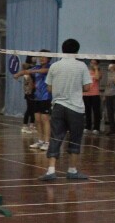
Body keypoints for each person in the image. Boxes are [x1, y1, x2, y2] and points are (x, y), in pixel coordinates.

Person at [39, 39, 92, 181]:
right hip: (76, 108)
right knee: (75, 139)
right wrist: (75, 88)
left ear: (62, 50)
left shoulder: (54, 66)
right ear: (77, 50)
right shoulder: (82, 66)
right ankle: (72, 170)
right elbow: (87, 87)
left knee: (55, 137)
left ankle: (51, 171)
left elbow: (49, 88)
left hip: (58, 106)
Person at [14, 50, 51, 150]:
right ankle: (40, 141)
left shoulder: (50, 67)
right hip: (36, 97)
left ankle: (47, 142)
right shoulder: (37, 67)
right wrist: (18, 74)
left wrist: (31, 71)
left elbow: (44, 71)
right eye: (40, 57)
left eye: (44, 57)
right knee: (37, 120)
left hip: (46, 97)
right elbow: (25, 71)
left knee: (45, 119)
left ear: (48, 58)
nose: (41, 58)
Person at [83, 58, 102, 134]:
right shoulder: (87, 71)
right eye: (91, 63)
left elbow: (97, 78)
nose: (92, 64)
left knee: (96, 112)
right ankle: (88, 126)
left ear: (97, 64)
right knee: (87, 111)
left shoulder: (99, 72)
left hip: (95, 94)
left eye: (94, 63)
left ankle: (96, 128)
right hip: (86, 94)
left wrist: (96, 69)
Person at [20, 57, 36, 133]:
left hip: (34, 92)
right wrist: (30, 89)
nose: (35, 59)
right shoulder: (27, 70)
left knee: (33, 109)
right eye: (33, 57)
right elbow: (28, 81)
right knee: (29, 109)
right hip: (29, 92)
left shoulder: (34, 68)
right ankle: (25, 126)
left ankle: (32, 125)